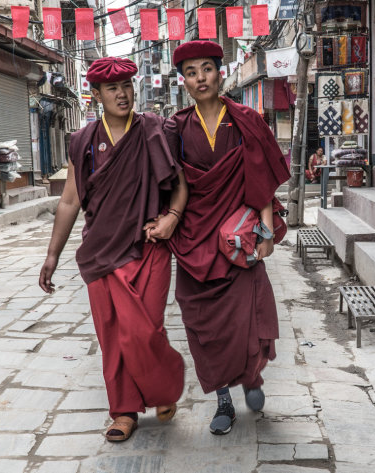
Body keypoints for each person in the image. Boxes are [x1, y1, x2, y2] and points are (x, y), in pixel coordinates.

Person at [38, 57, 187, 443]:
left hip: (148, 247)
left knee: (143, 332)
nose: (121, 94)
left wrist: (171, 216)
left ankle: (163, 386)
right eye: (111, 88)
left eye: (126, 86)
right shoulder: (84, 140)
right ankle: (123, 411)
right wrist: (52, 254)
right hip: (101, 252)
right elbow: (70, 201)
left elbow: (180, 185)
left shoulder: (155, 129)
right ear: (97, 94)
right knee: (111, 337)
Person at [152, 40, 290, 435]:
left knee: (245, 319)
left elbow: (260, 179)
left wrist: (265, 233)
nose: (200, 79)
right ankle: (223, 400)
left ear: (220, 71)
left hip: (238, 242)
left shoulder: (245, 119)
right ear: (183, 81)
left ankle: (252, 377)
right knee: (204, 325)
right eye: (191, 73)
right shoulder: (176, 128)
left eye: (207, 70)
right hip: (195, 241)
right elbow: (165, 182)